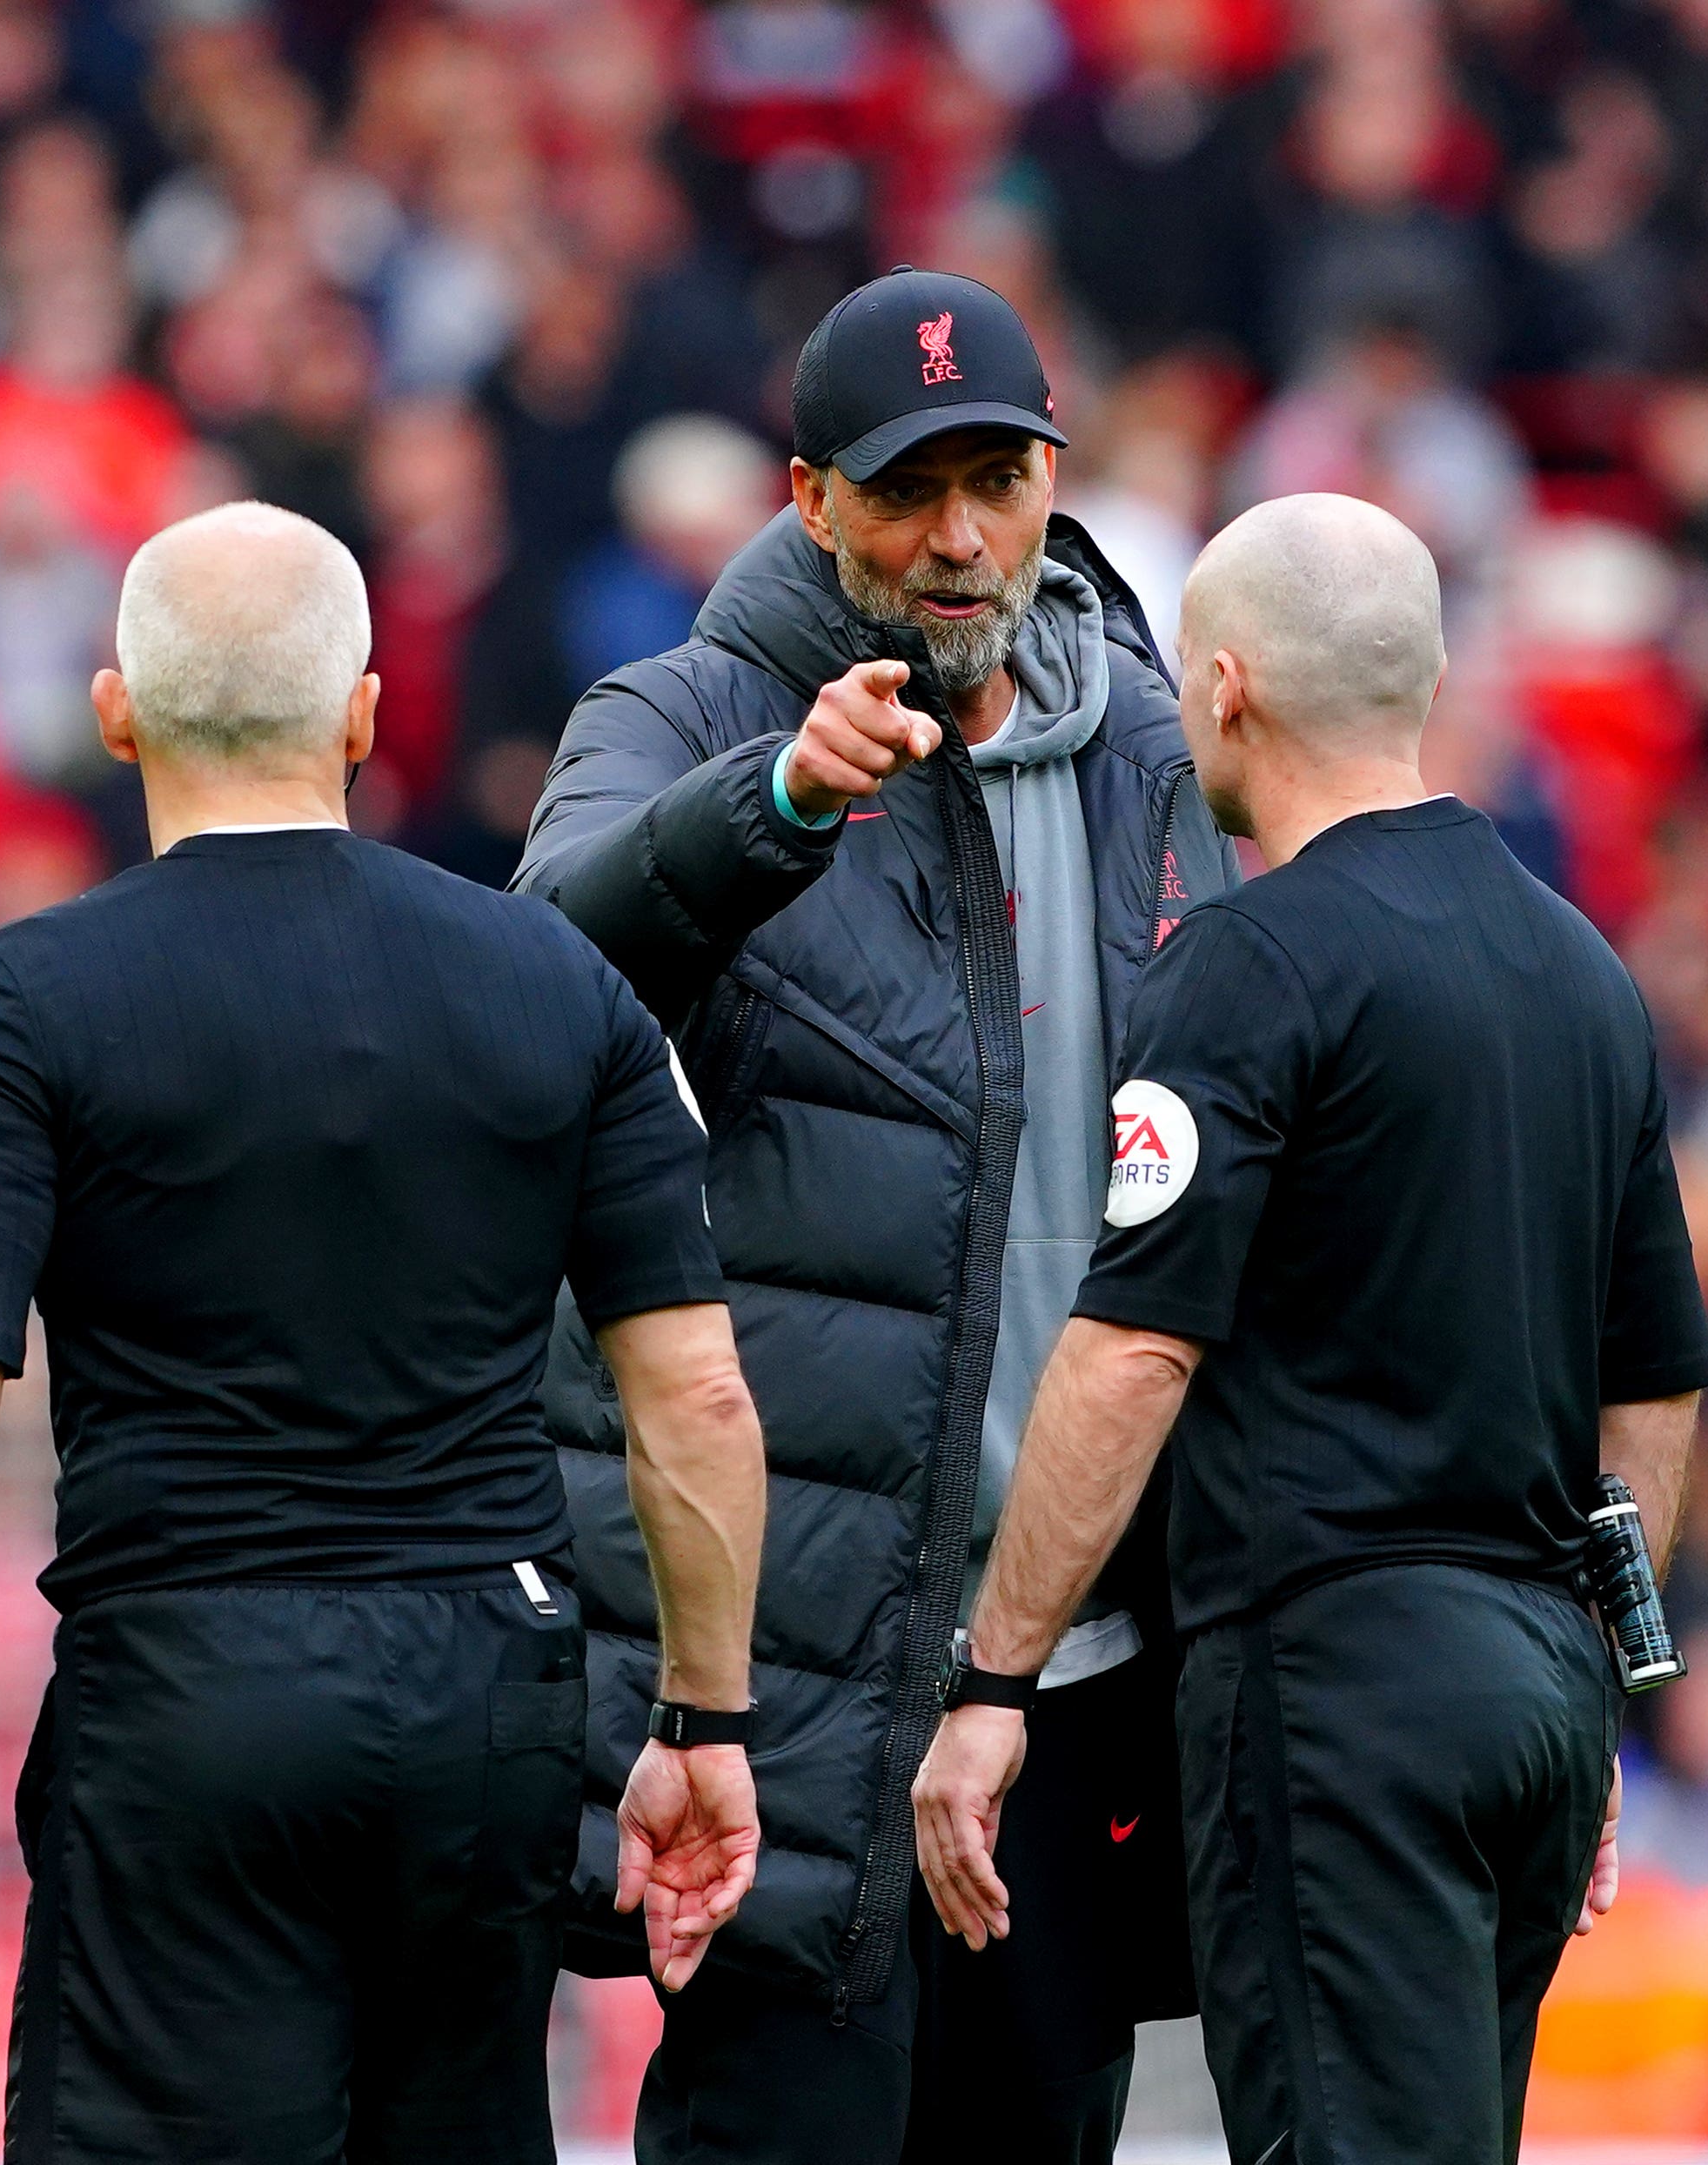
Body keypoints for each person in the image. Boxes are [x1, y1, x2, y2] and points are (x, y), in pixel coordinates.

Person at [0, 503, 770, 2164]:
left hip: (191, 1698)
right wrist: (705, 1724)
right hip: (490, 1696)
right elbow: (694, 1393)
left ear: (119, 714)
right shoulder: (555, 982)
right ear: (365, 714)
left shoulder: (17, 1008)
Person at [514, 270, 1236, 2163]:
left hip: (1067, 1657)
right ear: (811, 496)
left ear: (1053, 478)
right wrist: (767, 803)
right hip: (811, 1673)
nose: (960, 534)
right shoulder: (685, 710)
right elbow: (536, 985)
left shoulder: (1157, 755)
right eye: (909, 489)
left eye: (997, 478)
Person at [911, 494, 1708, 2164]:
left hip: (1339, 1684)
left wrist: (997, 1676)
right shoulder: (1582, 969)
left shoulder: (1245, 964)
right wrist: (1603, 1678)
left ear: (1222, 688)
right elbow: (1654, 1380)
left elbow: (1131, 1353)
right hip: (1540, 1679)